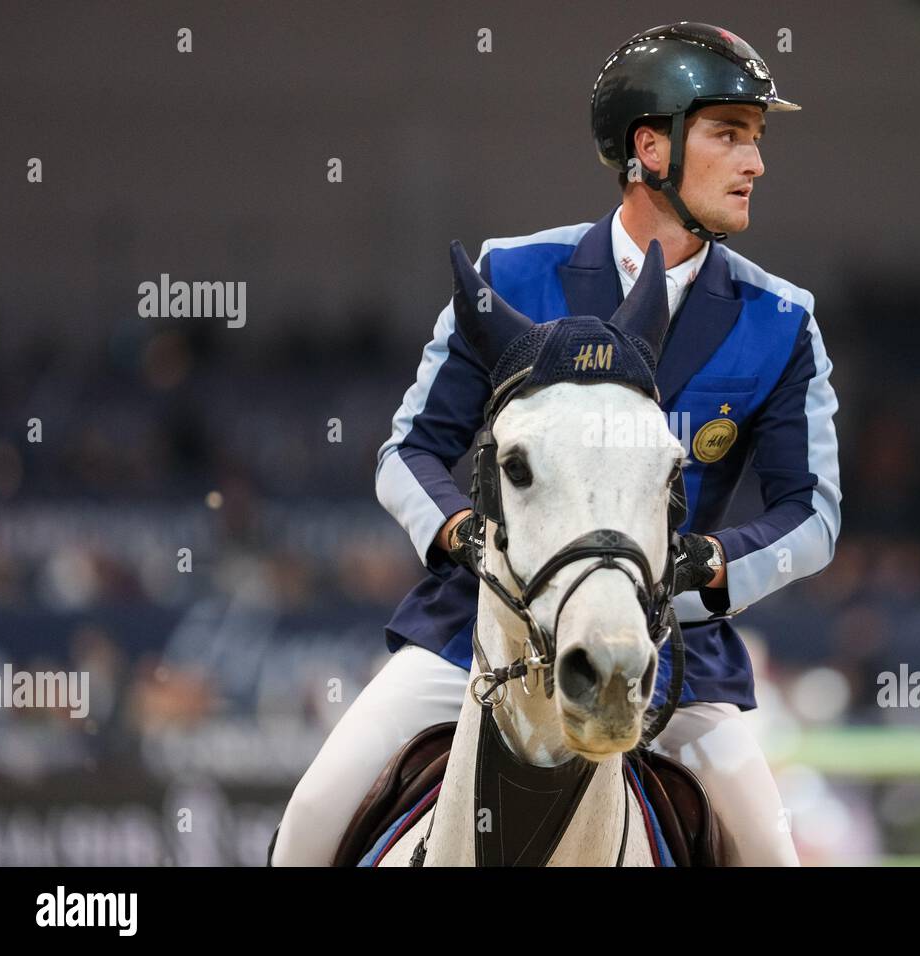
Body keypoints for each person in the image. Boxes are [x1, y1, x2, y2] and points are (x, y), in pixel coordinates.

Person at [272, 21, 840, 866]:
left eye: (755, 139)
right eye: (729, 135)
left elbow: (812, 516)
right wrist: (464, 534)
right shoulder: (512, 277)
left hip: (669, 650)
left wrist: (709, 562)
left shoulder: (782, 320)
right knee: (312, 820)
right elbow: (409, 452)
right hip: (482, 635)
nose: (756, 163)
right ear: (651, 147)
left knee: (771, 852)